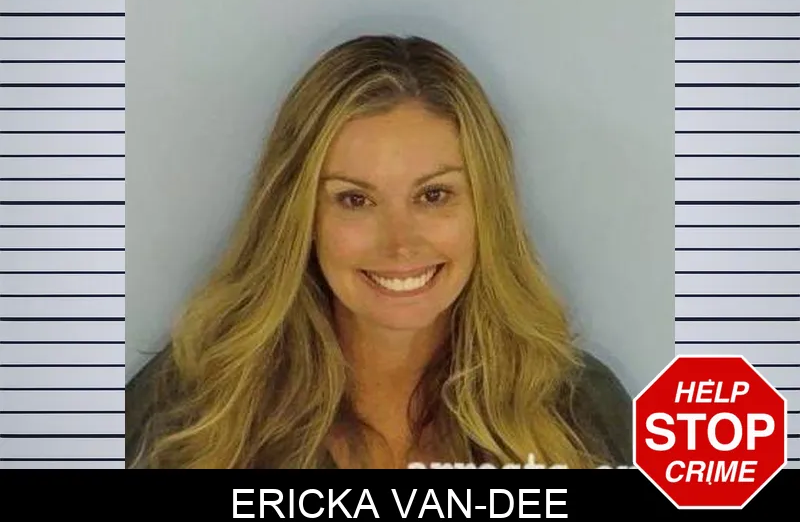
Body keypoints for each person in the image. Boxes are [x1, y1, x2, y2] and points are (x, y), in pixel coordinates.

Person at [126, 34, 632, 470]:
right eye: (355, 200)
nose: (400, 244)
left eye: (434, 195)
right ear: (301, 219)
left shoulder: (579, 409)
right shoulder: (192, 411)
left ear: (486, 210)